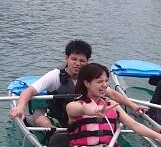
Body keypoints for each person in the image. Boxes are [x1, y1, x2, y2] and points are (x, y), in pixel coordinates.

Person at [9, 40, 145, 127]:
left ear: (87, 62)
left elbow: (113, 93)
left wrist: (133, 106)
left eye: (82, 61)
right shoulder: (55, 75)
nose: (77, 63)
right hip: (56, 117)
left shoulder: (91, 77)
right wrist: (20, 107)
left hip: (83, 116)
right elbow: (29, 91)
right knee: (41, 121)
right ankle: (54, 140)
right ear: (66, 58)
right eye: (74, 59)